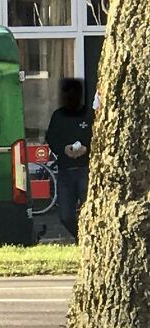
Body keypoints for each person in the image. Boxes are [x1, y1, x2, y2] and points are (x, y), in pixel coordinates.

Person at [45, 78, 94, 241]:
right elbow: (51, 138)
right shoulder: (58, 116)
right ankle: (81, 239)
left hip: (86, 170)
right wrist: (63, 150)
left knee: (91, 210)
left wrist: (86, 149)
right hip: (65, 171)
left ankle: (91, 241)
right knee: (65, 215)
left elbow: (99, 137)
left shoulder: (89, 115)